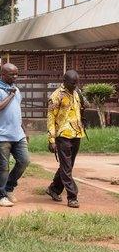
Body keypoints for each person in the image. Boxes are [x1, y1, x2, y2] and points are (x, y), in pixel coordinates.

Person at [0, 63, 29, 207]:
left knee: (24, 161)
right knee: (3, 166)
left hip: (18, 134)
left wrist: (23, 130)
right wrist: (10, 95)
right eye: (12, 74)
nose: (15, 77)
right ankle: (1, 196)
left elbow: (16, 112)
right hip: (1, 135)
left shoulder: (16, 90)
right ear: (3, 75)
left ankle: (9, 187)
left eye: (17, 74)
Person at [46, 69, 86, 208]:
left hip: (77, 134)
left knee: (67, 166)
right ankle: (72, 196)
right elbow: (51, 118)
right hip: (62, 135)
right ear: (64, 81)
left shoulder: (77, 92)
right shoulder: (56, 95)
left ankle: (54, 189)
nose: (75, 85)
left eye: (76, 83)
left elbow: (83, 108)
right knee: (67, 167)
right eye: (72, 83)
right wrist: (51, 139)